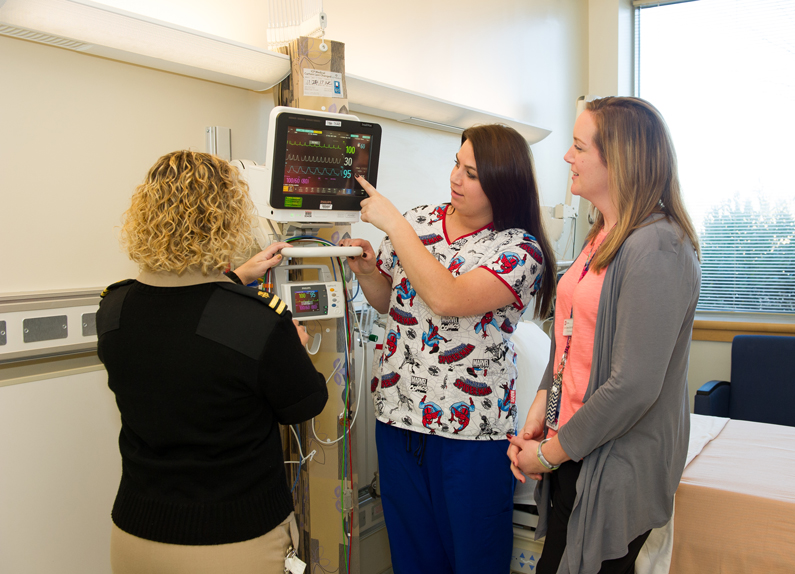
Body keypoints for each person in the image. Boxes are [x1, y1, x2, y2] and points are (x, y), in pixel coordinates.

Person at [96, 150, 328, 574]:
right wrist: (290, 345)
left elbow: (180, 329)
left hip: (136, 535)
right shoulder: (259, 321)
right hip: (233, 541)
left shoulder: (114, 307)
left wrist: (236, 279)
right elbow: (305, 404)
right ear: (227, 219)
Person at [340, 124, 556, 574]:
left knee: (474, 558)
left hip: (470, 433)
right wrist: (366, 272)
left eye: (472, 173)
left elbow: (449, 298)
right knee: (413, 558)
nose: (456, 178)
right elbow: (389, 301)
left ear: (502, 183)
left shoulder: (519, 249)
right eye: (457, 164)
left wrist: (395, 226)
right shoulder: (419, 219)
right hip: (399, 418)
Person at [507, 97, 701, 574]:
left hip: (613, 464)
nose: (567, 158)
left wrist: (548, 455)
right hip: (574, 448)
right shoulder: (602, 233)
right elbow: (567, 346)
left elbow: (633, 384)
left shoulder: (657, 247)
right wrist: (541, 412)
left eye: (578, 147)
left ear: (619, 159)